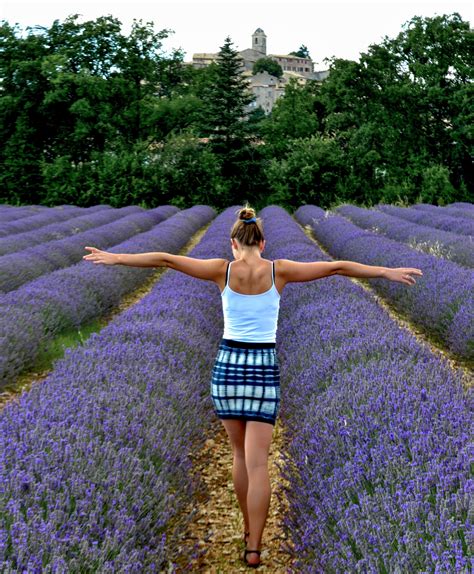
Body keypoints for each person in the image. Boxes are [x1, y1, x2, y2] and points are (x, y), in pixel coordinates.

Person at [83, 204, 423, 568]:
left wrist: (117, 257)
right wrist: (385, 270)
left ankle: (245, 528)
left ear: (233, 242)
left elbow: (166, 259)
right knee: (259, 462)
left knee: (239, 455)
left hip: (227, 368)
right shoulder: (280, 271)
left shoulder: (221, 271)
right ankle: (255, 547)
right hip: (262, 369)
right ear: (262, 241)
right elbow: (337, 267)